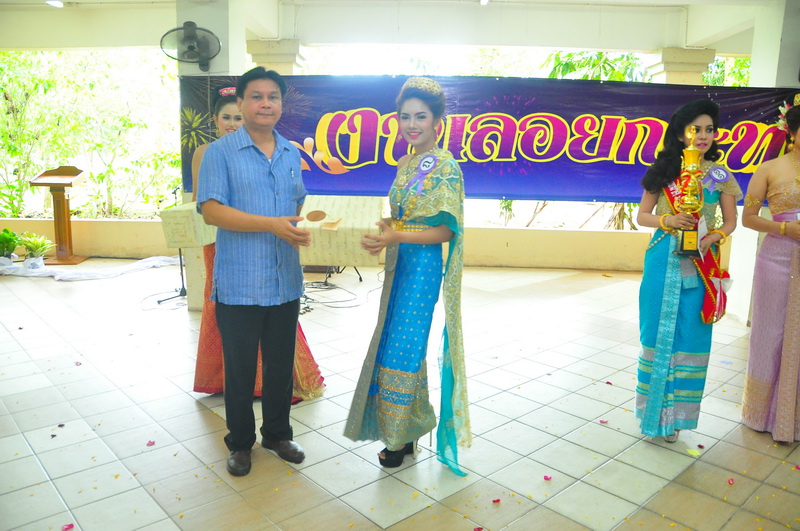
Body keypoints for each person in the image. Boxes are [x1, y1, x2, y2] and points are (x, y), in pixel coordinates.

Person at [343, 77, 470, 475]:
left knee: (405, 346)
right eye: (405, 117)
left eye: (421, 117)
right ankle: (408, 428)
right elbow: (404, 217)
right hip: (398, 262)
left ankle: (397, 438)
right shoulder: (405, 163)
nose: (412, 125)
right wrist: (384, 226)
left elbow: (445, 231)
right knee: (394, 342)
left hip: (422, 268)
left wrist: (397, 234)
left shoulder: (446, 166)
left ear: (437, 121)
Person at [196, 68, 310, 476]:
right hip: (240, 281)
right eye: (257, 96)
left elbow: (297, 207)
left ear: (281, 103)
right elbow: (211, 211)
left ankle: (277, 434)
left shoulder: (291, 152)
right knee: (240, 368)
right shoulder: (221, 152)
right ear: (241, 103)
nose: (265, 104)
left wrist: (309, 227)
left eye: (273, 96)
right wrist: (271, 224)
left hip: (284, 280)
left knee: (280, 366)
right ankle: (240, 443)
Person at [191, 86, 325, 404]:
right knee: (228, 313)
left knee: (272, 314)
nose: (232, 124)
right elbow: (204, 203)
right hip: (222, 243)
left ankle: (271, 388)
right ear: (215, 120)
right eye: (226, 118)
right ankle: (229, 381)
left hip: (269, 245)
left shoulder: (278, 151)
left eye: (237, 118)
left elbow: (289, 199)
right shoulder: (208, 153)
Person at [635, 99, 741, 443]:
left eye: (709, 129)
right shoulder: (663, 171)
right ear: (681, 134)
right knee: (655, 332)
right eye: (696, 129)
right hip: (662, 257)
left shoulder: (720, 175)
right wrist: (668, 219)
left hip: (701, 261)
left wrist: (713, 237)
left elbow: (731, 221)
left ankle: (679, 419)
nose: (704, 136)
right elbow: (643, 216)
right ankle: (653, 415)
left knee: (693, 334)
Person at [741, 103, 800, 443]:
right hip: (776, 257)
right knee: (770, 331)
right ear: (791, 131)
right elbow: (748, 218)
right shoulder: (768, 169)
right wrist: (784, 229)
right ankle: (762, 413)